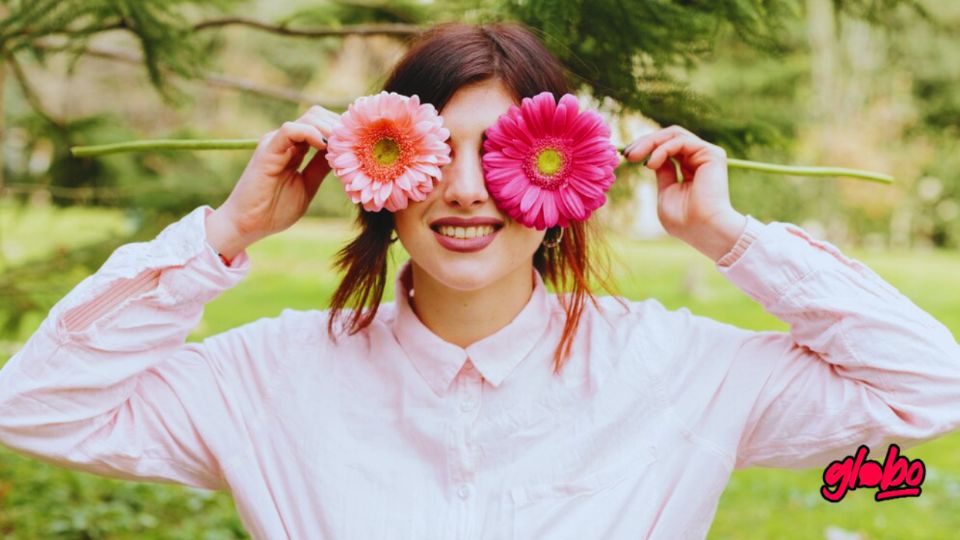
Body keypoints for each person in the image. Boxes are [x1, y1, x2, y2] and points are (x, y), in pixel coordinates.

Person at [0, 21, 958, 540]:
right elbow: (35, 408)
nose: (464, 189)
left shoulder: (678, 369)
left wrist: (733, 239)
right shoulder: (267, 379)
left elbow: (931, 388)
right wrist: (227, 230)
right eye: (434, 152)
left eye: (503, 154)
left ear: (565, 177)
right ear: (375, 171)